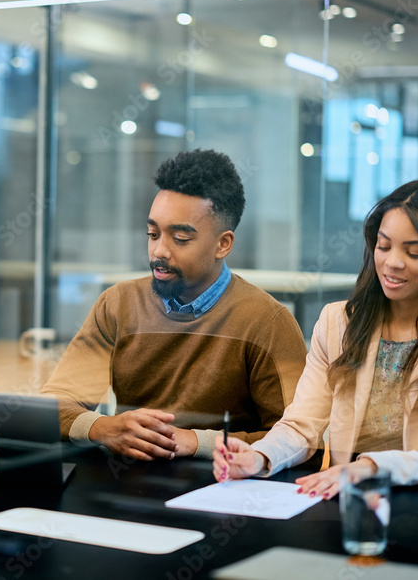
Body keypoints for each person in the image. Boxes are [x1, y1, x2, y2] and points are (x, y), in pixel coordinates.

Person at [213, 180, 418, 496]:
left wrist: (370, 468)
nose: (392, 262)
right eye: (383, 247)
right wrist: (259, 457)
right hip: (347, 500)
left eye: (414, 252)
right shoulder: (337, 322)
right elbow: (301, 426)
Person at [40, 149, 307, 461]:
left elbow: (296, 438)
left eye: (180, 238)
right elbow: (56, 403)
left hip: (221, 488)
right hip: (126, 484)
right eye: (153, 234)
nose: (159, 251)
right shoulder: (118, 304)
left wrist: (197, 442)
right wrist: (102, 427)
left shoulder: (266, 321)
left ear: (223, 244)